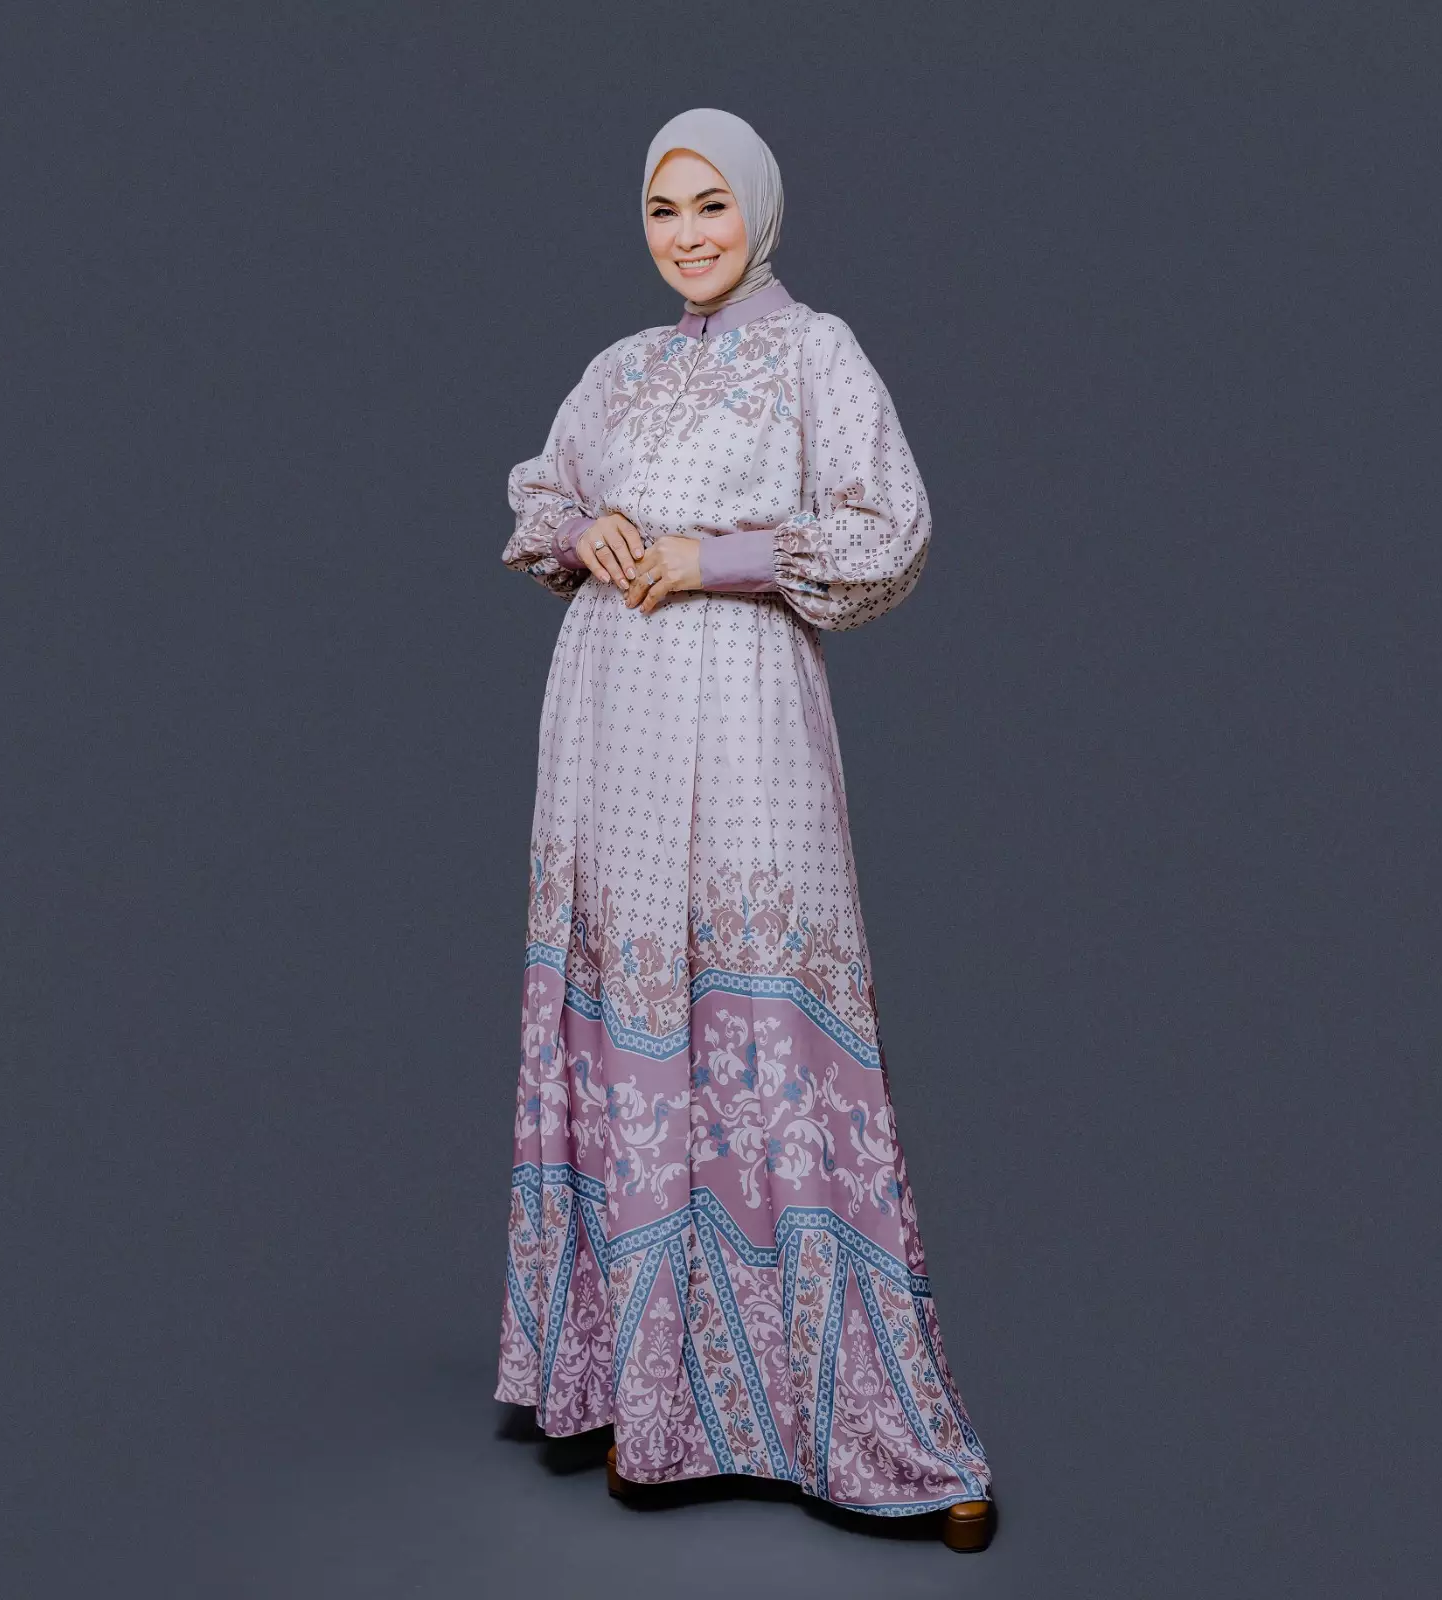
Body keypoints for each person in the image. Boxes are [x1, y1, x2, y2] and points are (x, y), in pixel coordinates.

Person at [494, 107, 995, 1551]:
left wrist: (704, 558)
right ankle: (637, 1390)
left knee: (767, 1028)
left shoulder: (817, 353)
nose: (688, 235)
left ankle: (853, 1411)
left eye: (711, 204)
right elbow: (539, 494)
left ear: (760, 211)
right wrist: (590, 535)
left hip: (743, 709)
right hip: (610, 726)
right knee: (630, 1020)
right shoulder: (621, 366)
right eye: (663, 210)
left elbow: (887, 532)